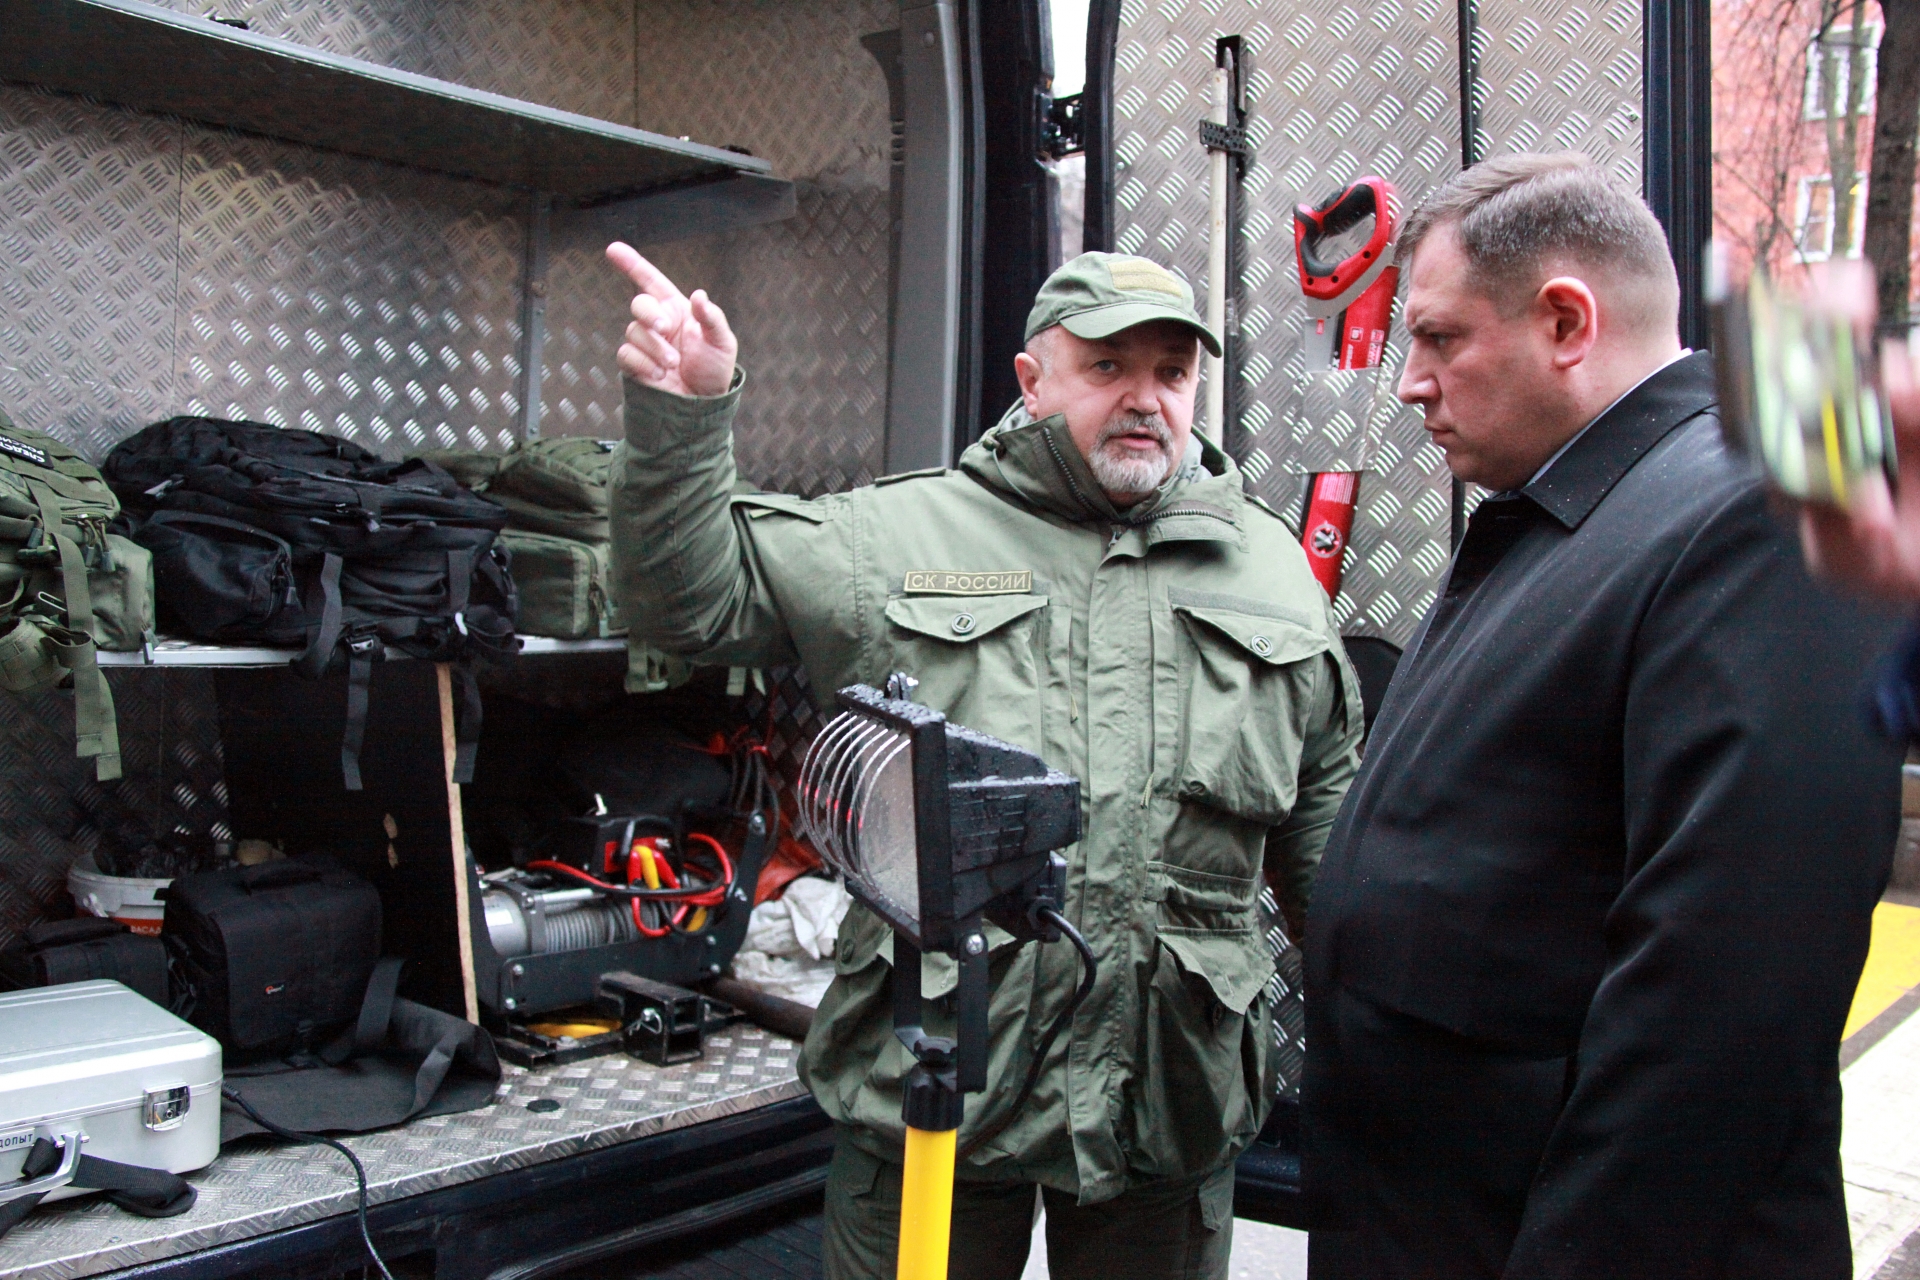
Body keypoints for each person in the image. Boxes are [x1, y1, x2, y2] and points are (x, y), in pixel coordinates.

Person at [603, 244, 1363, 1279]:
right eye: (1107, 366)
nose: (1145, 399)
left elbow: (1326, 835)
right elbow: (684, 604)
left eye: (1172, 372)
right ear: (1032, 380)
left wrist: (1393, 1043)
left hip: (1167, 1099)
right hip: (933, 1091)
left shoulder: (1270, 570)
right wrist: (684, 422)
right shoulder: (899, 536)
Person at [1302, 152, 1904, 1278]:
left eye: (1437, 339)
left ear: (1567, 321)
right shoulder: (1573, 510)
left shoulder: (1761, 516)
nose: (1409, 383)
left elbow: (1721, 1009)